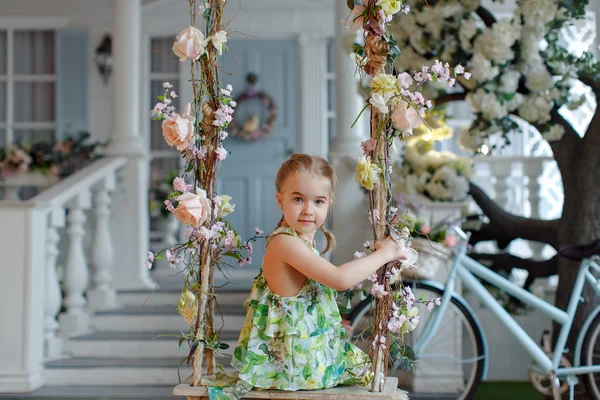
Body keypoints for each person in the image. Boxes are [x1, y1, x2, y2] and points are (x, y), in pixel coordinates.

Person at [203, 154, 410, 400]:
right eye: (298, 199)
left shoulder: (301, 241)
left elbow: (301, 306)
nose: (308, 210)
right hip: (295, 367)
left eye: (318, 201)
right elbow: (339, 279)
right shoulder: (284, 242)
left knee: (367, 371)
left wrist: (326, 325)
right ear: (280, 200)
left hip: (305, 359)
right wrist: (386, 253)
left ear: (329, 203)